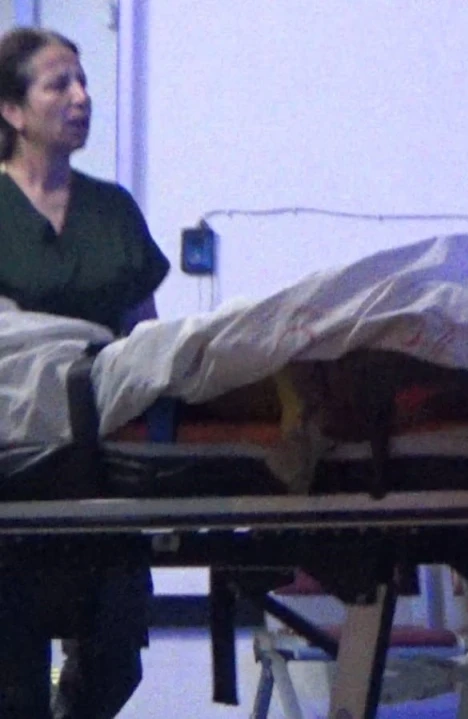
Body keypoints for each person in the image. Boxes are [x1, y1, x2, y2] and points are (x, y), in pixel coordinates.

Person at [0, 27, 169, 718]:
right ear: (12, 110)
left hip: (105, 464)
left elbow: (148, 338)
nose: (81, 97)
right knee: (11, 681)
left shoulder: (113, 210)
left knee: (116, 658)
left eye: (84, 82)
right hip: (14, 465)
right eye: (58, 84)